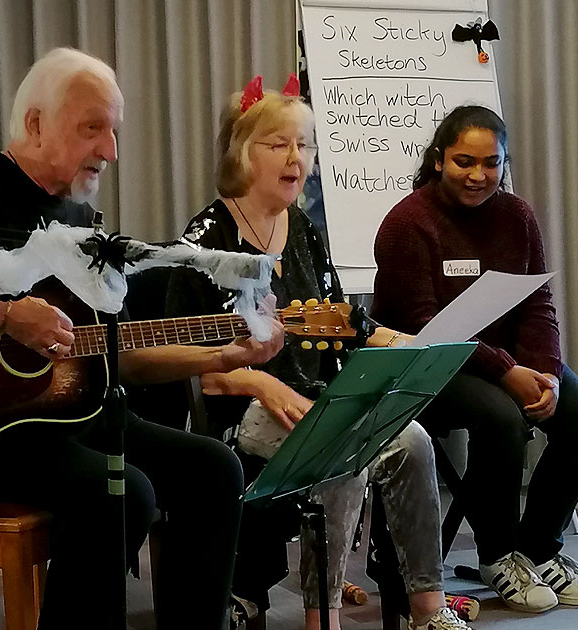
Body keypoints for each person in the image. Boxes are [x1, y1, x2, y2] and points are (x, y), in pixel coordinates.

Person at [0, 47, 286, 630]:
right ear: (35, 124)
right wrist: (0, 313)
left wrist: (223, 353)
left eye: (112, 131)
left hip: (65, 419)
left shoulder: (80, 221)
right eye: (92, 129)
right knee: (117, 491)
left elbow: (113, 356)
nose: (110, 151)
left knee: (214, 467)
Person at [164, 77, 469, 630]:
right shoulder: (206, 240)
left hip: (320, 399)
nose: (296, 158)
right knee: (342, 453)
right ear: (241, 150)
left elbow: (341, 319)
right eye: (278, 143)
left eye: (304, 145)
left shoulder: (303, 228)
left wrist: (394, 342)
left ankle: (429, 609)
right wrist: (259, 382)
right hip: (243, 414)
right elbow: (195, 364)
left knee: (415, 440)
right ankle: (321, 616)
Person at [373, 105, 578, 614]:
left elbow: (537, 304)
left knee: (575, 406)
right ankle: (497, 555)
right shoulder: (407, 223)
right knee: (501, 416)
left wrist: (546, 372)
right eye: (465, 161)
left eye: (492, 163)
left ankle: (537, 548)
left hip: (502, 360)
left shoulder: (517, 215)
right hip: (425, 363)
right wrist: (507, 372)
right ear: (440, 159)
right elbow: (427, 325)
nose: (478, 175)